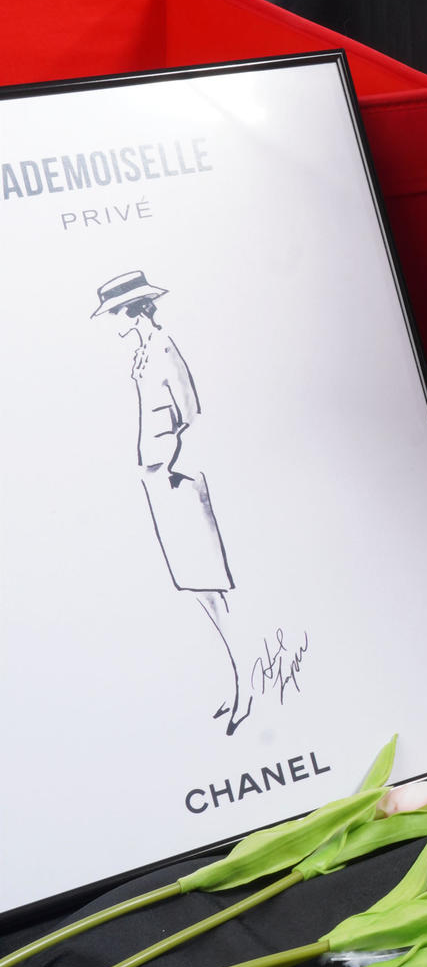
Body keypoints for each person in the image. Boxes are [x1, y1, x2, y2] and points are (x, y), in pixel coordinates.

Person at [96, 266, 248, 731]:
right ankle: (235, 684)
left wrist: (171, 467)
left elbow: (190, 412)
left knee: (212, 586)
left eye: (115, 313)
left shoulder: (163, 348)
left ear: (133, 310)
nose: (113, 322)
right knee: (197, 588)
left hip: (176, 479)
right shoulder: (142, 353)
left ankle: (244, 688)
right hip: (158, 479)